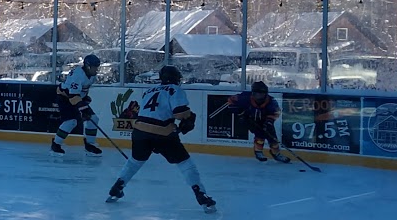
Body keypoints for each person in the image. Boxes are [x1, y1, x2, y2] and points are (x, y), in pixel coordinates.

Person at [107, 63, 217, 211]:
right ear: (175, 78)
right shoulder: (175, 90)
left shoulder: (149, 90)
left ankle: (117, 187)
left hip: (139, 131)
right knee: (185, 164)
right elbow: (179, 113)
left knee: (134, 161)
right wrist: (189, 118)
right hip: (162, 133)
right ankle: (201, 194)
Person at [223, 80, 290, 162]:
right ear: (253, 93)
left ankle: (276, 153)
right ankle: (258, 151)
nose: (259, 97)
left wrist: (269, 121)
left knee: (272, 137)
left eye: (261, 94)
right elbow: (230, 100)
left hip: (266, 120)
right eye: (256, 94)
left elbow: (276, 112)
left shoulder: (271, 101)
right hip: (249, 119)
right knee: (260, 135)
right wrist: (240, 112)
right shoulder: (245, 97)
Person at [51, 54, 103, 155]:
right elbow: (72, 95)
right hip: (65, 98)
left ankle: (90, 144)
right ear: (88, 66)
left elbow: (82, 90)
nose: (97, 70)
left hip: (76, 97)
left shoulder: (92, 76)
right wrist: (83, 109)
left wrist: (84, 99)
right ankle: (56, 145)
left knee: (93, 118)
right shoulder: (78, 75)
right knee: (71, 122)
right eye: (95, 67)